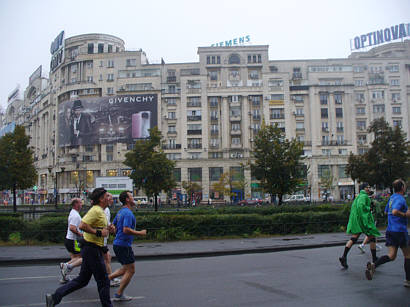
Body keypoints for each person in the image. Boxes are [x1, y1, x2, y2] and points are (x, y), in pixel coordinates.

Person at [46, 187, 115, 307]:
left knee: (82, 280)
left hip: (93, 248)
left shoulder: (102, 211)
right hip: (92, 249)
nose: (110, 198)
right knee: (104, 281)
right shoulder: (96, 211)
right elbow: (82, 225)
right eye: (107, 196)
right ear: (101, 199)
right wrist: (98, 233)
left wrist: (109, 229)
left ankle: (54, 297)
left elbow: (99, 228)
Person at [365, 179, 410, 286]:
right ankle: (408, 280)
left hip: (390, 230)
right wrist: (405, 215)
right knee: (408, 255)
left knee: (391, 255)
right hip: (400, 231)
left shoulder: (391, 198)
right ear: (402, 188)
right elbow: (394, 212)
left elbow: (387, 211)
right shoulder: (401, 199)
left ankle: (374, 265)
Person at [108, 190, 147, 301]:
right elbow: (126, 230)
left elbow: (112, 226)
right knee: (131, 270)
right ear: (127, 199)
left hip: (118, 244)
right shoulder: (128, 213)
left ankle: (106, 279)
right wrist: (140, 233)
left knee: (126, 268)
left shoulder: (121, 212)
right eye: (131, 197)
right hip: (123, 245)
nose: (133, 199)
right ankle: (119, 295)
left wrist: (115, 232)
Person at [339, 182, 381, 269]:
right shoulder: (364, 196)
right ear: (363, 189)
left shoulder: (358, 197)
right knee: (372, 237)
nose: (368, 189)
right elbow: (362, 207)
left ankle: (344, 256)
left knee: (354, 238)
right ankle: (374, 259)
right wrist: (369, 208)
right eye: (367, 187)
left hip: (357, 221)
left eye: (369, 187)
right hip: (363, 220)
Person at [59, 198, 83, 283]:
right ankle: (66, 265)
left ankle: (64, 277)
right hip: (74, 240)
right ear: (76, 204)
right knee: (82, 258)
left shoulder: (73, 212)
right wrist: (80, 234)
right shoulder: (76, 215)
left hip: (69, 239)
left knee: (74, 258)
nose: (82, 204)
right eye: (80, 202)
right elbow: (72, 227)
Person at [103, 192, 121, 287]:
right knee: (107, 258)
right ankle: (109, 278)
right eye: (110, 199)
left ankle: (108, 277)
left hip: (101, 239)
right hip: (101, 239)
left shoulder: (104, 209)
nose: (112, 201)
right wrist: (112, 228)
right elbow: (105, 223)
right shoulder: (105, 210)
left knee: (107, 258)